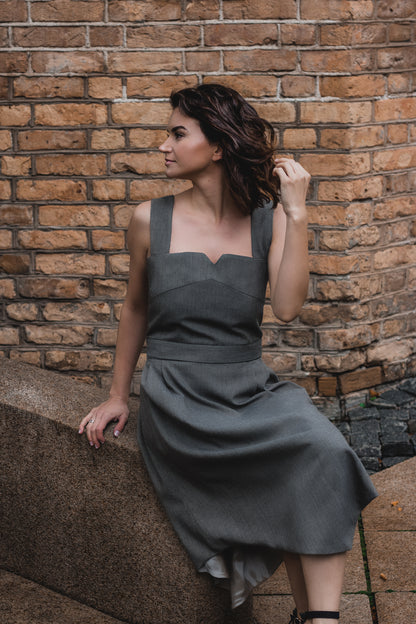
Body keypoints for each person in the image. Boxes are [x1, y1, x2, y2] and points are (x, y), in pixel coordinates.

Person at [78, 84, 377, 624]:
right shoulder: (150, 219)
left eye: (177, 134)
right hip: (179, 398)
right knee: (299, 467)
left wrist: (297, 212)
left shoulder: (271, 218)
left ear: (217, 146)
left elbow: (287, 307)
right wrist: (117, 395)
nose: (163, 147)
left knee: (324, 452)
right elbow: (136, 309)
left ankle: (322, 620)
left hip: (250, 386)